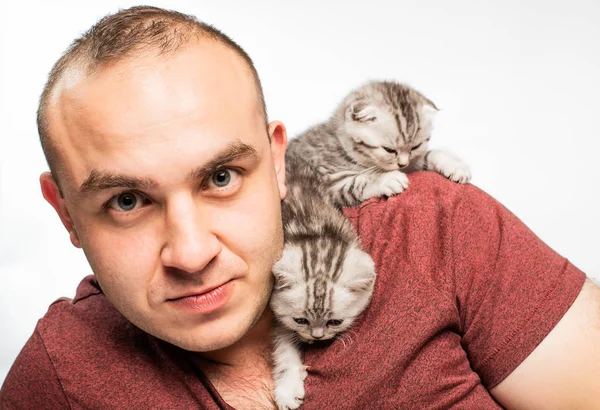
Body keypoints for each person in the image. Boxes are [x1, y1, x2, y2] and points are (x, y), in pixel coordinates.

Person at [1, 5, 599, 409]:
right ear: (66, 214)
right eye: (127, 200)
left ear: (278, 161)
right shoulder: (57, 374)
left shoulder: (437, 228)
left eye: (221, 176)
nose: (190, 252)